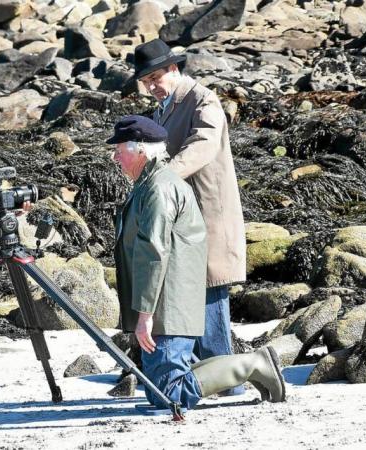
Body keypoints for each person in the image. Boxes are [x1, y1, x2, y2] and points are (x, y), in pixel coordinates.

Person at [109, 115, 285, 411]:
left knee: (168, 394)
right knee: (159, 392)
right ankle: (250, 364)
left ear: (140, 149)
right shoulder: (150, 183)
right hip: (168, 302)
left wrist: (144, 315)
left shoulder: (159, 188)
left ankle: (253, 364)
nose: (114, 157)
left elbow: (154, 252)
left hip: (169, 304)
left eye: (119, 150)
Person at [132, 39, 248, 396]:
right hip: (185, 228)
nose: (152, 86)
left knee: (212, 318)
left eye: (156, 77)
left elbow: (204, 143)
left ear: (174, 69)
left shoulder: (203, 99)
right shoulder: (165, 107)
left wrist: (164, 175)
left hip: (209, 224)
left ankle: (235, 386)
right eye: (146, 81)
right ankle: (219, 385)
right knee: (193, 315)